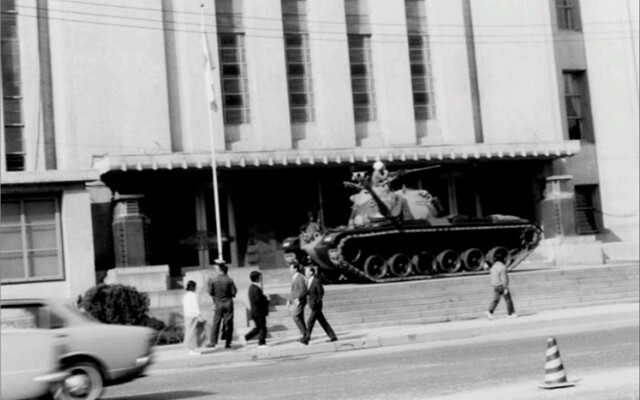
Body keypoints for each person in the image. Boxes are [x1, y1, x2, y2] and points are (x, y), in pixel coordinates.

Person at [301, 267, 337, 345]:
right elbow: (307, 292)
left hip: (316, 306)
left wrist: (317, 302)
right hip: (312, 305)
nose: (305, 273)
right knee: (322, 321)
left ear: (311, 272)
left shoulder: (316, 281)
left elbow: (321, 293)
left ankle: (306, 338)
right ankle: (332, 336)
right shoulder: (308, 281)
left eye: (306, 271)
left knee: (310, 321)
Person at [207, 261, 237, 348]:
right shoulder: (229, 280)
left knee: (216, 323)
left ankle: (213, 342)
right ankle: (228, 342)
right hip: (228, 302)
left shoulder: (213, 280)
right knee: (229, 323)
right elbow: (234, 292)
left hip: (218, 303)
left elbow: (210, 292)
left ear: (219, 270)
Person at [485, 253, 517, 320]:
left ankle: (490, 311)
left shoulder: (493, 267)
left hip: (495, 286)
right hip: (501, 286)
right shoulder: (502, 267)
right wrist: (505, 287)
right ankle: (510, 313)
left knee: (495, 300)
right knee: (508, 300)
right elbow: (504, 278)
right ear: (502, 259)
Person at [243, 271, 269, 348]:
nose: (261, 278)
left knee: (258, 328)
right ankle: (261, 343)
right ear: (257, 278)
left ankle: (246, 337)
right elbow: (258, 300)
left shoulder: (252, 288)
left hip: (256, 312)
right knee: (262, 328)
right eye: (260, 277)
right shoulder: (256, 288)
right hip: (259, 312)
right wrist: (266, 299)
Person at [183, 280, 206, 355]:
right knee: (193, 333)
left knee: (189, 332)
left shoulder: (186, 295)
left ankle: (190, 349)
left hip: (187, 315)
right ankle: (191, 350)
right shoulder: (193, 295)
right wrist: (200, 315)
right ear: (193, 287)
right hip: (193, 316)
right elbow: (195, 307)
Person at [288, 263, 308, 343]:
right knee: (300, 317)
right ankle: (305, 335)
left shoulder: (300, 278)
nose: (290, 270)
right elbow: (293, 290)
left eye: (291, 268)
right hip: (295, 300)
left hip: (300, 301)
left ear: (296, 269)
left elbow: (303, 290)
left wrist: (298, 299)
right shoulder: (294, 277)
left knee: (295, 316)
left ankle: (305, 334)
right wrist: (289, 300)